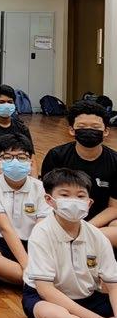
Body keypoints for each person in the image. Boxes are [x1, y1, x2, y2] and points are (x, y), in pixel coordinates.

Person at [22, 168, 117, 318]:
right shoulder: (41, 233)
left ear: (89, 203)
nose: (73, 201)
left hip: (88, 297)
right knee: (53, 317)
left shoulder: (98, 236)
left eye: (80, 196)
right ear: (49, 200)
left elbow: (113, 285)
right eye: (65, 195)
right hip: (47, 298)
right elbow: (46, 290)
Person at [0, 134, 49, 288]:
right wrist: (27, 266)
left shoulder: (40, 187)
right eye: (7, 157)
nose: (15, 162)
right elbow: (4, 228)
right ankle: (42, 283)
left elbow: (41, 228)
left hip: (32, 241)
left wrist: (34, 256)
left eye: (21, 157)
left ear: (30, 162)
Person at [39, 100, 117, 245]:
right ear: (72, 130)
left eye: (95, 127)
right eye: (82, 127)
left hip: (101, 221)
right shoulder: (56, 156)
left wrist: (87, 228)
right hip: (63, 217)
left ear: (106, 131)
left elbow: (114, 207)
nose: (89, 130)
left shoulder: (115, 161)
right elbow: (48, 199)